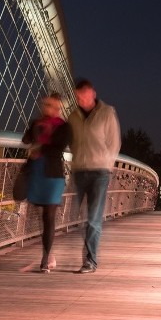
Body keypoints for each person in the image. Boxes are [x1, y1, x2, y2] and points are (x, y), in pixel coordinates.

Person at [68, 78, 121, 274]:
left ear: (93, 94)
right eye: (78, 97)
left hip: (100, 171)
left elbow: (114, 143)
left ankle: (90, 260)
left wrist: (107, 164)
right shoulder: (73, 117)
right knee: (78, 216)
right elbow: (72, 142)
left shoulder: (107, 113)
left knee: (93, 218)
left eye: (84, 96)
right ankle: (86, 253)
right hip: (80, 170)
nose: (81, 100)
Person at [22, 92, 72, 273]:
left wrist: (41, 146)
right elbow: (25, 139)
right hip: (36, 171)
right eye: (45, 104)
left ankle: (46, 257)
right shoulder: (37, 123)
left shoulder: (64, 127)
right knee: (38, 214)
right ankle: (48, 251)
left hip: (53, 174)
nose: (47, 108)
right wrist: (37, 127)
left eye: (51, 105)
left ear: (58, 107)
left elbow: (59, 146)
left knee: (49, 215)